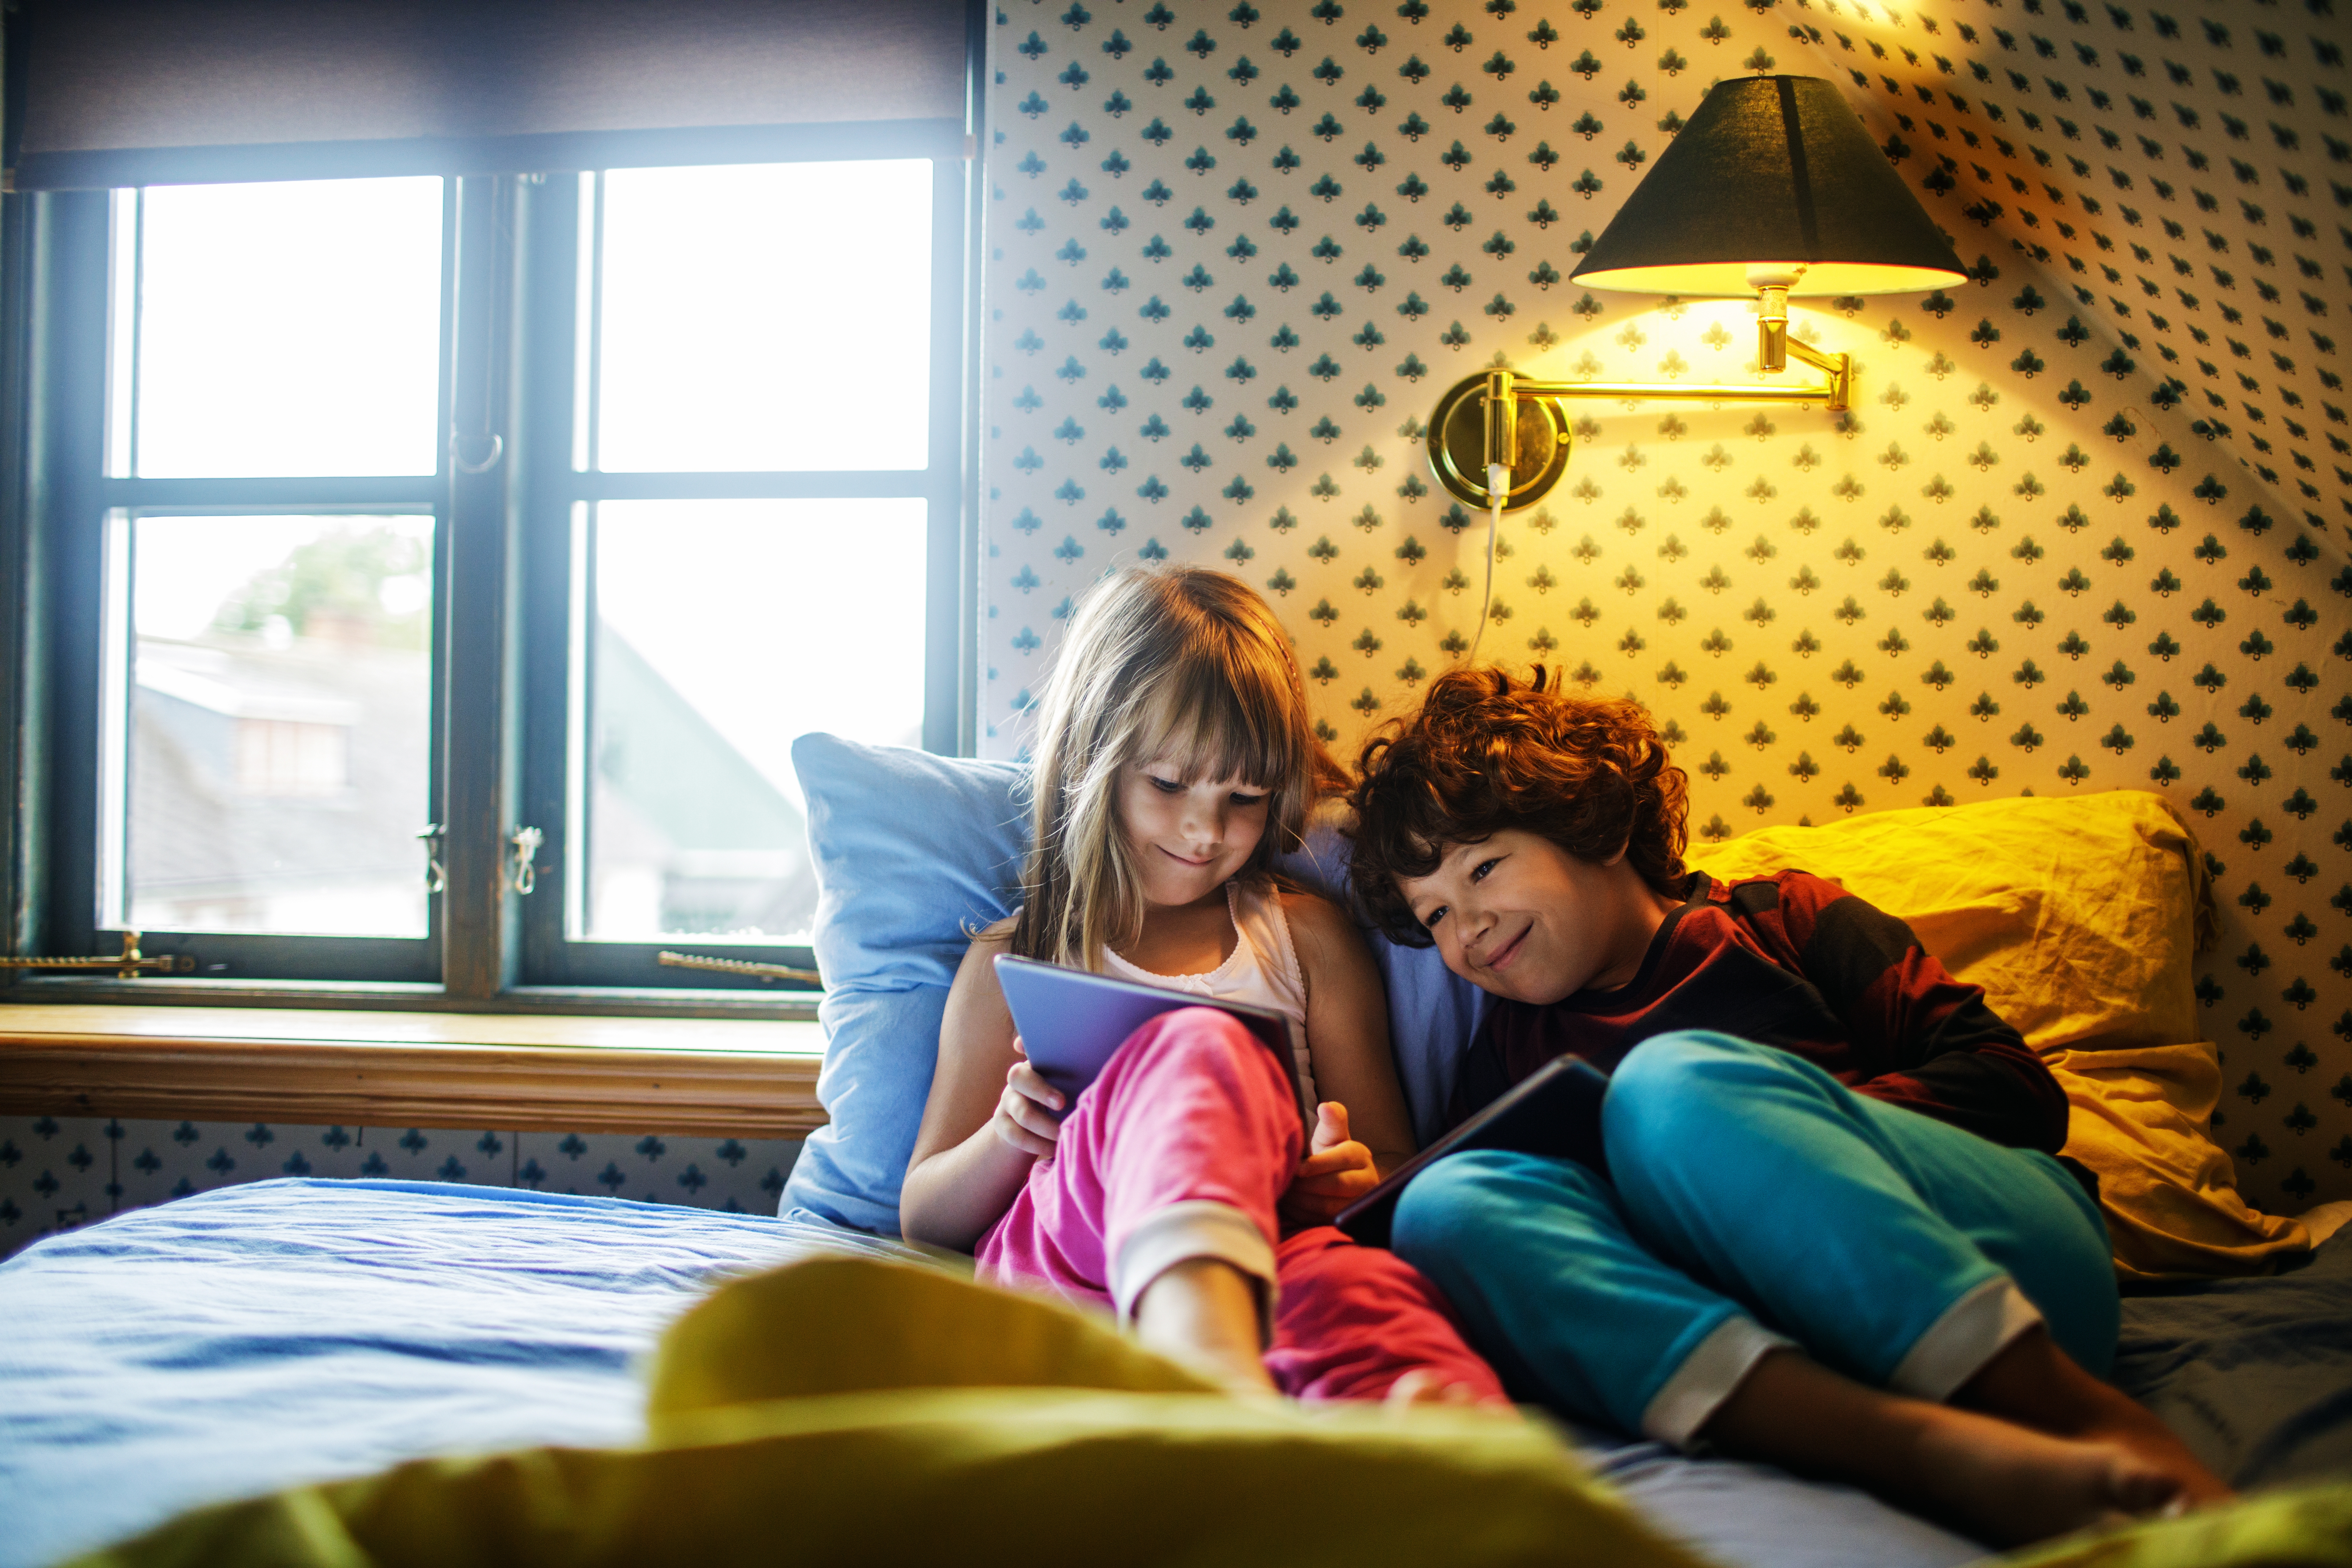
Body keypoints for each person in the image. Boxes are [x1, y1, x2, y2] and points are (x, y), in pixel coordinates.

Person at [1345, 665, 2230, 1547]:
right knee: (1444, 1203)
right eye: (1435, 917)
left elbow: (2014, 1090)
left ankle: (2082, 1416)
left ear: (1597, 826)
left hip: (2004, 1268)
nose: (1468, 929)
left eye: (1485, 867)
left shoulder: (1783, 917)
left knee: (1673, 1088)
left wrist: (1774, 1136)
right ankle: (1926, 1450)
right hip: (1789, 1361)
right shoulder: (1506, 1049)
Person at [899, 567, 1502, 1406]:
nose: (1205, 829)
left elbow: (1388, 1165)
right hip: (1071, 1266)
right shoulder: (1019, 958)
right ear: (1092, 761)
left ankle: (1434, 1429)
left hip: (1270, 1247)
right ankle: (1210, 1375)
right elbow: (924, 1214)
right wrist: (1008, 1137)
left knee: (1360, 1294)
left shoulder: (1306, 939)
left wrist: (1345, 1177)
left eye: (1244, 797)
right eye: (1169, 784)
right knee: (1199, 1047)